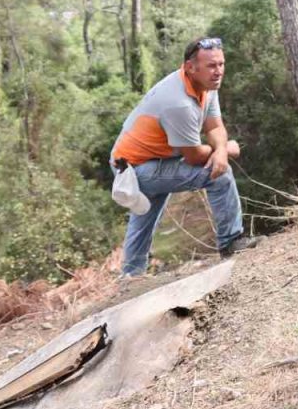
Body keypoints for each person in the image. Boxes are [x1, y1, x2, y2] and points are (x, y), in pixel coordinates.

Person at [111, 37, 263, 276]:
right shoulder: (178, 103)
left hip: (146, 160)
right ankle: (231, 243)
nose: (219, 71)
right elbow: (193, 157)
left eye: (221, 64)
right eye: (212, 66)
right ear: (190, 67)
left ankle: (130, 276)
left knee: (144, 216)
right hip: (134, 168)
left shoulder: (206, 87)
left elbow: (214, 127)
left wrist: (222, 149)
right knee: (218, 175)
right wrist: (225, 151)